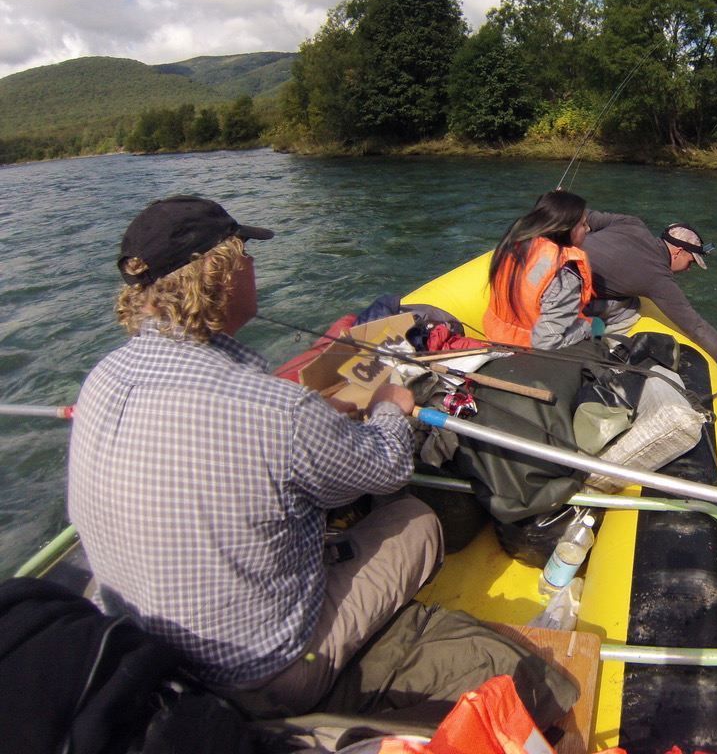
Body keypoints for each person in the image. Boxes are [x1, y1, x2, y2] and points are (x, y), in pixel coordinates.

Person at [67, 195, 443, 718]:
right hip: (256, 676)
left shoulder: (102, 376)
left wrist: (309, 415)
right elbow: (385, 469)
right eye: (245, 256)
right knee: (416, 519)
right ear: (219, 277)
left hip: (144, 657)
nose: (252, 267)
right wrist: (390, 408)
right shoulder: (278, 412)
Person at [583, 211, 717, 388]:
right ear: (678, 252)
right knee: (631, 306)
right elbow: (695, 326)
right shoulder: (657, 278)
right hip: (566, 298)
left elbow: (585, 215)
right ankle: (609, 345)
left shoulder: (631, 223)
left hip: (558, 264)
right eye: (690, 262)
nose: (688, 269)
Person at [484, 189, 594, 350]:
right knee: (595, 324)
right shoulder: (565, 275)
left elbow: (534, 284)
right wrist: (586, 327)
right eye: (583, 224)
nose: (588, 229)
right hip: (528, 350)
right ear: (566, 229)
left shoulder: (518, 244)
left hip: (497, 335)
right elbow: (545, 343)